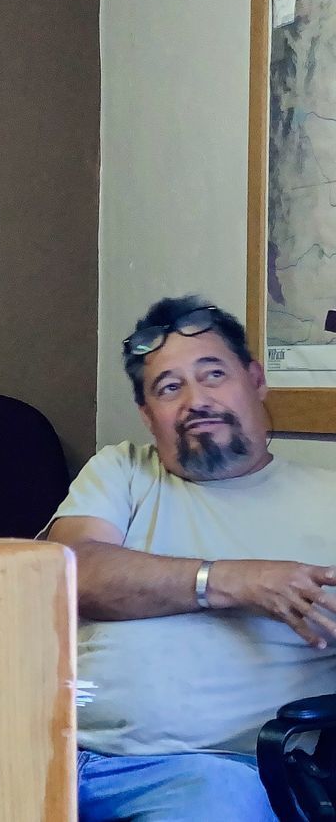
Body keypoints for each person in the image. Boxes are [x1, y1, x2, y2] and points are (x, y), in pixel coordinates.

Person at [45, 295, 336, 822]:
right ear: (146, 415)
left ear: (256, 380)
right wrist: (228, 581)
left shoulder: (330, 499)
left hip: (209, 774)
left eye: (213, 374)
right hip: (51, 753)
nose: (195, 400)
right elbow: (67, 570)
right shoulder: (122, 471)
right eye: (169, 387)